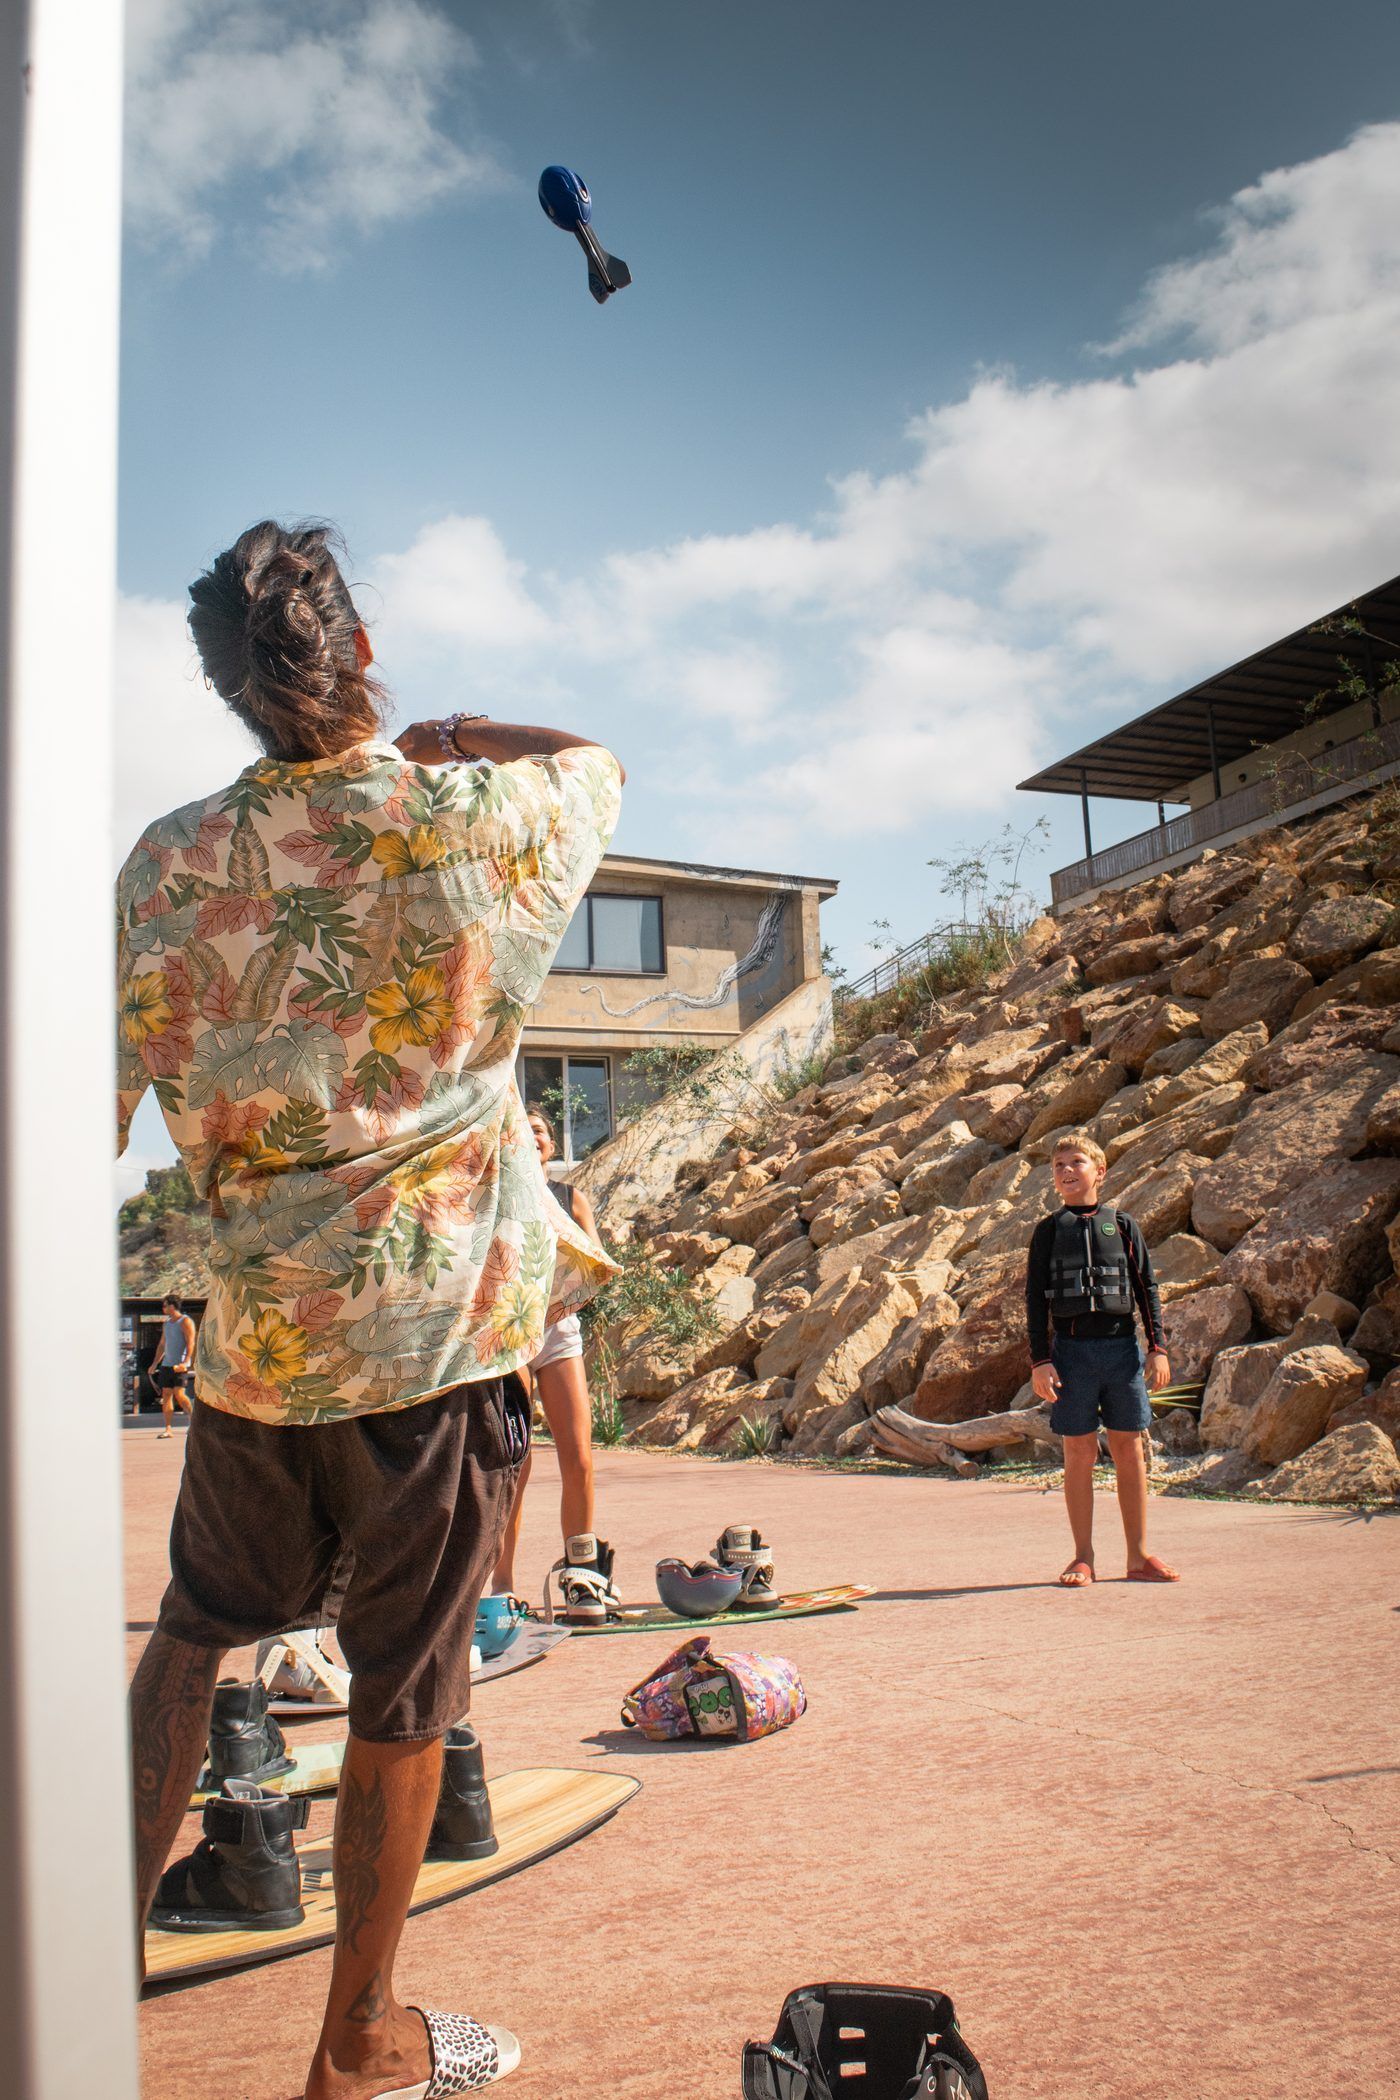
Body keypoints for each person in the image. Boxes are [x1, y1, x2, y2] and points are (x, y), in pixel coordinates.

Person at [117, 519, 622, 2099]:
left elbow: (109, 1091)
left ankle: (86, 1972)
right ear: (361, 655)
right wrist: (455, 734)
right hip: (435, 1337)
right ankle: (355, 2048)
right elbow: (599, 760)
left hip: (260, 1339)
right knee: (408, 1691)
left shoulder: (168, 862)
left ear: (225, 690)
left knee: (197, 1637)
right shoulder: (465, 816)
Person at [1026, 1130, 1180, 1589]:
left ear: (1100, 1170)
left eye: (1076, 1162)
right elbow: (1035, 1299)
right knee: (1079, 1451)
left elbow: (1146, 1287)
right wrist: (1040, 1361)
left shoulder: (1124, 1225)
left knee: (1130, 1449)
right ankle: (1083, 1557)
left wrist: (1158, 1348)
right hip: (1070, 1355)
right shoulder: (1049, 1231)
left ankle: (1138, 1555)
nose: (1068, 1171)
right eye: (1059, 1166)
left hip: (1121, 1352)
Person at [493, 1106, 620, 1624]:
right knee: (515, 1463)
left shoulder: (571, 1197)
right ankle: (502, 1584)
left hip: (559, 1331)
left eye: (540, 1130)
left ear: (550, 1142)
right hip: (511, 1333)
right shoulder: (498, 1193)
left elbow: (597, 1264)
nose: (534, 1137)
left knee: (580, 1457)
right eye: (523, 1131)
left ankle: (582, 1572)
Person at [150, 1295, 197, 1438]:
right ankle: (168, 1429)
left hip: (180, 1366)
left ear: (172, 1306)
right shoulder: (167, 1324)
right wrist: (154, 1364)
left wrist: (185, 1362)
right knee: (167, 1395)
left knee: (180, 1394)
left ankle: (193, 1423)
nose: (163, 1309)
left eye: (165, 1306)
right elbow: (162, 1345)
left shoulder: (185, 1321)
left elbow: (191, 1343)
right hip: (166, 1365)